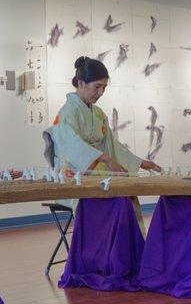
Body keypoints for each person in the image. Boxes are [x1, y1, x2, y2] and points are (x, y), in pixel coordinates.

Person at [46, 56, 161, 230]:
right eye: (97, 86)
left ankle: (129, 252)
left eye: (104, 87)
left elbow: (111, 144)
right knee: (112, 202)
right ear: (81, 83)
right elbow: (71, 146)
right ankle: (103, 252)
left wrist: (140, 162)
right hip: (75, 176)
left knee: (127, 198)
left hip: (98, 174)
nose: (100, 92)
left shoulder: (98, 113)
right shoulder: (67, 113)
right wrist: (104, 158)